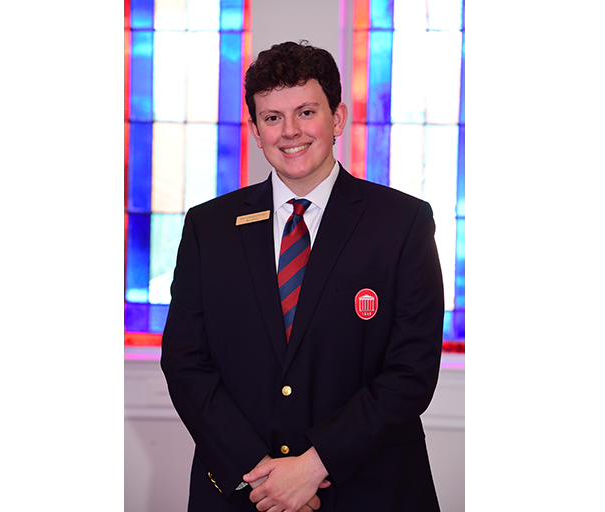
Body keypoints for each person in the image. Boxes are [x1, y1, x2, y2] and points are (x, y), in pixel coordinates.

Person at [160, 40, 444, 512]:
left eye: (306, 112)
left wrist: (315, 466)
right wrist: (263, 475)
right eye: (272, 117)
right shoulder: (208, 228)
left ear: (337, 118)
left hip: (371, 491)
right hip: (242, 492)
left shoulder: (401, 223)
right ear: (254, 129)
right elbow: (186, 362)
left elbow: (410, 372)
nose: (290, 131)